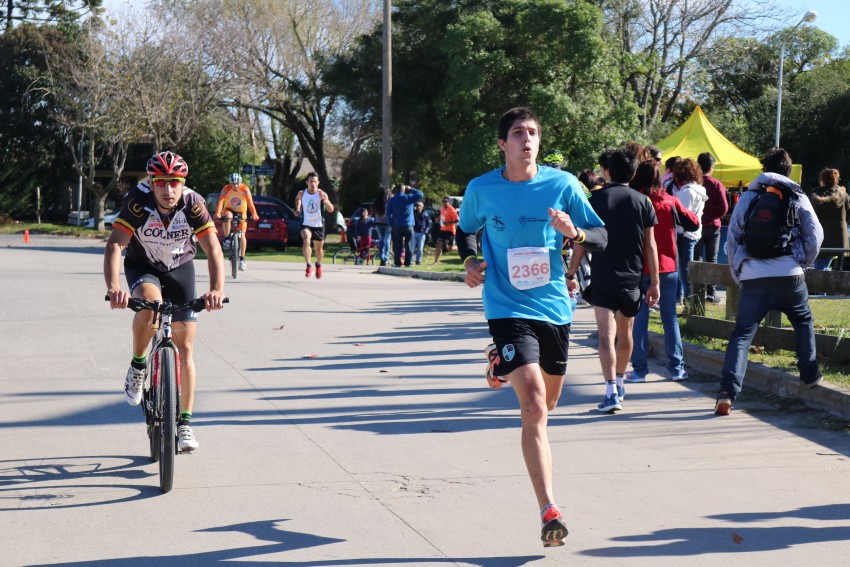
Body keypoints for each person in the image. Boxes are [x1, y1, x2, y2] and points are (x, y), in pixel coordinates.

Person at [459, 107, 607, 547]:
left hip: (554, 308)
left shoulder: (563, 185)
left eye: (533, 133)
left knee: (550, 403)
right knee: (535, 406)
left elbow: (601, 235)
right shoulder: (481, 188)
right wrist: (470, 261)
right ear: (502, 144)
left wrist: (574, 233)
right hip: (506, 305)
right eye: (518, 133)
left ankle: (497, 365)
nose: (527, 139)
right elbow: (467, 231)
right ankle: (549, 509)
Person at [104, 151, 225, 452]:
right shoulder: (137, 200)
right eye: (161, 183)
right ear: (151, 182)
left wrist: (216, 290)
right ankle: (138, 365)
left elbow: (213, 249)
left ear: (183, 183)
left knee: (185, 348)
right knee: (151, 307)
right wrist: (115, 288)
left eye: (174, 182)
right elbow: (116, 245)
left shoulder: (193, 204)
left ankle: (184, 424)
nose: (168, 190)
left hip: (180, 267)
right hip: (142, 266)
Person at [715, 148, 824, 416]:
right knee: (803, 321)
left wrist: (739, 272)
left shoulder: (750, 196)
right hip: (790, 276)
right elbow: (815, 234)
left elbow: (733, 238)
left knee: (741, 335)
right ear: (789, 170)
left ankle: (727, 392)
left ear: (763, 169)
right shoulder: (797, 196)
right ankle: (809, 373)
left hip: (753, 277)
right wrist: (801, 261)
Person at [569, 148, 659, 413]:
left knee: (606, 336)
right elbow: (650, 245)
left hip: (603, 277)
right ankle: (620, 382)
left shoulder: (593, 200)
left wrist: (571, 273)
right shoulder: (643, 202)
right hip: (632, 278)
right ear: (633, 173)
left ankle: (610, 392)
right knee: (626, 333)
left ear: (606, 171)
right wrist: (654, 282)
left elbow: (580, 243)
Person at [627, 160, 700, 383]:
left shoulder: (633, 201)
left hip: (639, 268)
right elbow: (694, 223)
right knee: (670, 319)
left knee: (639, 319)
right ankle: (676, 368)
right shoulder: (670, 201)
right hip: (667, 268)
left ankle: (639, 371)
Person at [693, 152, 729, 301]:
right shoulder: (716, 184)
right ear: (712, 167)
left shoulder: (694, 184)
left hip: (697, 224)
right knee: (712, 259)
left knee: (698, 258)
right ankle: (711, 292)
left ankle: (698, 292)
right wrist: (715, 215)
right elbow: (724, 207)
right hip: (713, 226)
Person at [671, 158, 707, 306]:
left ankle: (689, 303)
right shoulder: (699, 189)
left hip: (684, 233)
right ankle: (684, 300)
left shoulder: (687, 192)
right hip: (693, 233)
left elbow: (682, 215)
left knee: (685, 272)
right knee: (684, 269)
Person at [214, 173, 259, 271]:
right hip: (229, 209)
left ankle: (242, 259)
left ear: (240, 183)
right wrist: (218, 212)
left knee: (242, 235)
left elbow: (250, 203)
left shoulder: (245, 189)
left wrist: (254, 214)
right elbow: (221, 201)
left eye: (237, 183)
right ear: (230, 183)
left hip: (241, 211)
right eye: (233, 184)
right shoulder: (226, 189)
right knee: (228, 216)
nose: (236, 186)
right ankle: (227, 238)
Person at [808, 168, 850, 270]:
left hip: (822, 238)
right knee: (836, 270)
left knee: (820, 268)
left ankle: (823, 285)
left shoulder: (816, 195)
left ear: (822, 179)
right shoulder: (844, 195)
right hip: (840, 239)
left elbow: (810, 217)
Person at [295, 172, 335, 279]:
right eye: (311, 181)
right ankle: (308, 266)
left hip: (318, 224)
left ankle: (318, 264)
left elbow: (331, 209)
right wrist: (298, 209)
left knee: (319, 249)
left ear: (318, 183)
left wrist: (324, 200)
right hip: (306, 223)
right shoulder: (302, 193)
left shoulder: (322, 194)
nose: (313, 184)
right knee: (306, 240)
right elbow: (298, 199)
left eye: (315, 181)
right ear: (307, 182)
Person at [386, 183, 424, 267]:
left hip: (396, 226)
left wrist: (391, 223)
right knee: (409, 244)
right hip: (408, 225)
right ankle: (408, 262)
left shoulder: (391, 200)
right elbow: (420, 194)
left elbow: (388, 214)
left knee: (397, 245)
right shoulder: (408, 198)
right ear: (404, 190)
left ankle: (397, 262)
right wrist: (410, 189)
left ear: (396, 190)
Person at [432, 196, 459, 264]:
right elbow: (442, 216)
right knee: (438, 244)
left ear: (448, 202)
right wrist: (438, 218)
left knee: (449, 248)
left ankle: (460, 249)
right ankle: (436, 261)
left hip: (450, 231)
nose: (444, 203)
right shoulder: (443, 208)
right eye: (443, 201)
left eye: (445, 201)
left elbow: (457, 220)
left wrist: (448, 223)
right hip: (443, 230)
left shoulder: (452, 209)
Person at [372, 187, 392, 266]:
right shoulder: (390, 202)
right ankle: (386, 258)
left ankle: (382, 257)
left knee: (381, 240)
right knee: (387, 240)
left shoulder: (376, 202)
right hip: (387, 223)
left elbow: (375, 213)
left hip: (378, 222)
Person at [412, 201, 432, 265]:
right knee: (412, 248)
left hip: (422, 233)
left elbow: (429, 224)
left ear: (422, 207)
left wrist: (426, 231)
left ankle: (418, 261)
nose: (418, 207)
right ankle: (411, 260)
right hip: (414, 232)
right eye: (417, 205)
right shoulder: (413, 213)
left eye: (419, 206)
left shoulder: (425, 214)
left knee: (420, 248)